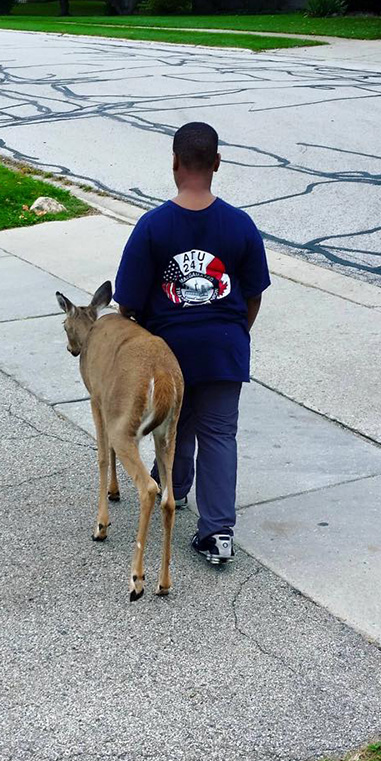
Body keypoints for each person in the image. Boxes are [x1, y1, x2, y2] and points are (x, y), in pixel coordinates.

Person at [113, 122, 270, 565]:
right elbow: (253, 294)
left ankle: (173, 491)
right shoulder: (240, 225)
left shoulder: (152, 226)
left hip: (169, 352)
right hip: (225, 347)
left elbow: (126, 303)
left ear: (175, 163)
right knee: (219, 433)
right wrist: (235, 332)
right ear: (217, 164)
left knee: (172, 425)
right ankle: (217, 533)